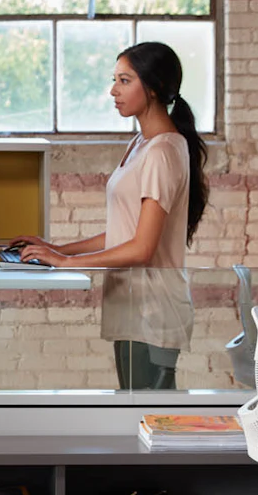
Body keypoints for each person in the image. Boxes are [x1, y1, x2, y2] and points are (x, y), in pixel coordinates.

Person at [14, 42, 208, 391]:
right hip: (131, 303)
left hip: (152, 311)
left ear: (153, 88)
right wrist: (58, 249)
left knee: (149, 418)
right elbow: (125, 233)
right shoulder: (141, 143)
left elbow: (141, 249)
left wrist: (63, 263)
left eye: (124, 80)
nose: (113, 90)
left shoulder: (163, 150)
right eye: (114, 79)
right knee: (134, 411)